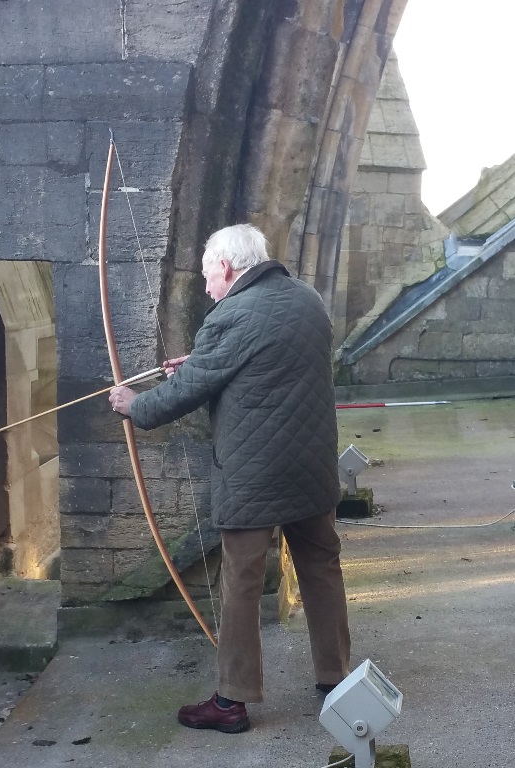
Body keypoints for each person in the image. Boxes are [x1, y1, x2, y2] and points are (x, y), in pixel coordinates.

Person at [109, 222, 350, 734]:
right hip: (310, 466)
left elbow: (185, 394)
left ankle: (231, 700)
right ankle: (336, 679)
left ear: (225, 266)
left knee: (240, 578)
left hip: (254, 474)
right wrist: (203, 361)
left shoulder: (231, 314)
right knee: (322, 567)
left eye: (206, 277)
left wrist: (136, 405)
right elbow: (270, 358)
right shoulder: (306, 299)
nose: (205, 289)